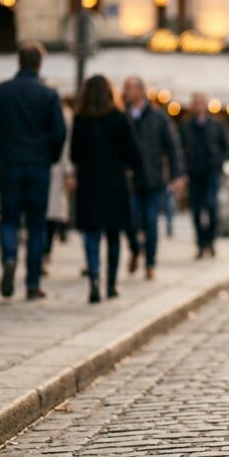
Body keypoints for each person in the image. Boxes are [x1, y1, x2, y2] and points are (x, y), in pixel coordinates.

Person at [0, 41, 66, 301]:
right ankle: (32, 282)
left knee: (9, 218)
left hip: (9, 164)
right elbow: (59, 132)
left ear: (19, 62)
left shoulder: (0, 91)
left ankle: (9, 257)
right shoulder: (48, 95)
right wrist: (50, 156)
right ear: (40, 64)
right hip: (38, 164)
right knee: (36, 224)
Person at [71, 75, 142, 303]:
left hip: (89, 183)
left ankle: (93, 277)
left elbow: (74, 154)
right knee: (113, 234)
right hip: (115, 183)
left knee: (91, 233)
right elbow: (133, 153)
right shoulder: (119, 118)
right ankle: (111, 283)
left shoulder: (80, 119)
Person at [121, 77, 184, 280]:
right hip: (130, 180)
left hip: (153, 179)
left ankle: (150, 263)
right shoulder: (123, 117)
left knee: (150, 222)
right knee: (130, 222)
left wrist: (177, 175)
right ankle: (136, 249)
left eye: (129, 88)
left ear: (140, 91)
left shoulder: (158, 117)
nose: (125, 92)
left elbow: (173, 148)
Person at [180, 92, 229, 258]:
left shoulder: (216, 124)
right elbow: (179, 150)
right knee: (196, 211)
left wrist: (219, 162)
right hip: (193, 174)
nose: (198, 105)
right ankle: (201, 245)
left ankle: (210, 242)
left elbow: (226, 146)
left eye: (201, 102)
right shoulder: (186, 126)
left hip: (211, 174)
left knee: (211, 208)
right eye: (196, 103)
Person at [44, 96, 75, 275]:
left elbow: (66, 145)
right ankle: (44, 252)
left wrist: (68, 170)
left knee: (48, 215)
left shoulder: (64, 115)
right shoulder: (63, 115)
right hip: (51, 168)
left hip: (53, 168)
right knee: (49, 215)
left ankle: (44, 252)